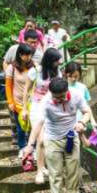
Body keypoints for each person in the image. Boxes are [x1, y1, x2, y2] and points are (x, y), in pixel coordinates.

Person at [23, 78, 92, 193]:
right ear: (50, 93)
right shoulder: (46, 102)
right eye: (56, 97)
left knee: (73, 171)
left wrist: (81, 122)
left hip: (71, 138)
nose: (60, 100)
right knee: (56, 173)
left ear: (67, 90)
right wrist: (30, 145)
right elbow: (39, 124)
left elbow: (86, 112)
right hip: (52, 139)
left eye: (62, 96)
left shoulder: (76, 95)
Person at [32, 48, 63, 184]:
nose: (59, 62)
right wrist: (23, 108)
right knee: (41, 139)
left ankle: (44, 166)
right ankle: (39, 170)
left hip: (52, 106)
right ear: (50, 61)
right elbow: (28, 87)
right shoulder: (36, 71)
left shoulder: (57, 72)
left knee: (48, 140)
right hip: (37, 105)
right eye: (57, 60)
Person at [5, 43, 36, 158]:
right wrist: (10, 102)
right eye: (25, 55)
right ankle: (22, 148)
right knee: (20, 127)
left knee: (33, 126)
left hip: (31, 102)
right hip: (17, 102)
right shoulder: (11, 68)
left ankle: (33, 147)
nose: (28, 57)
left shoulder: (34, 67)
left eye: (30, 55)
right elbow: (8, 86)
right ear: (20, 54)